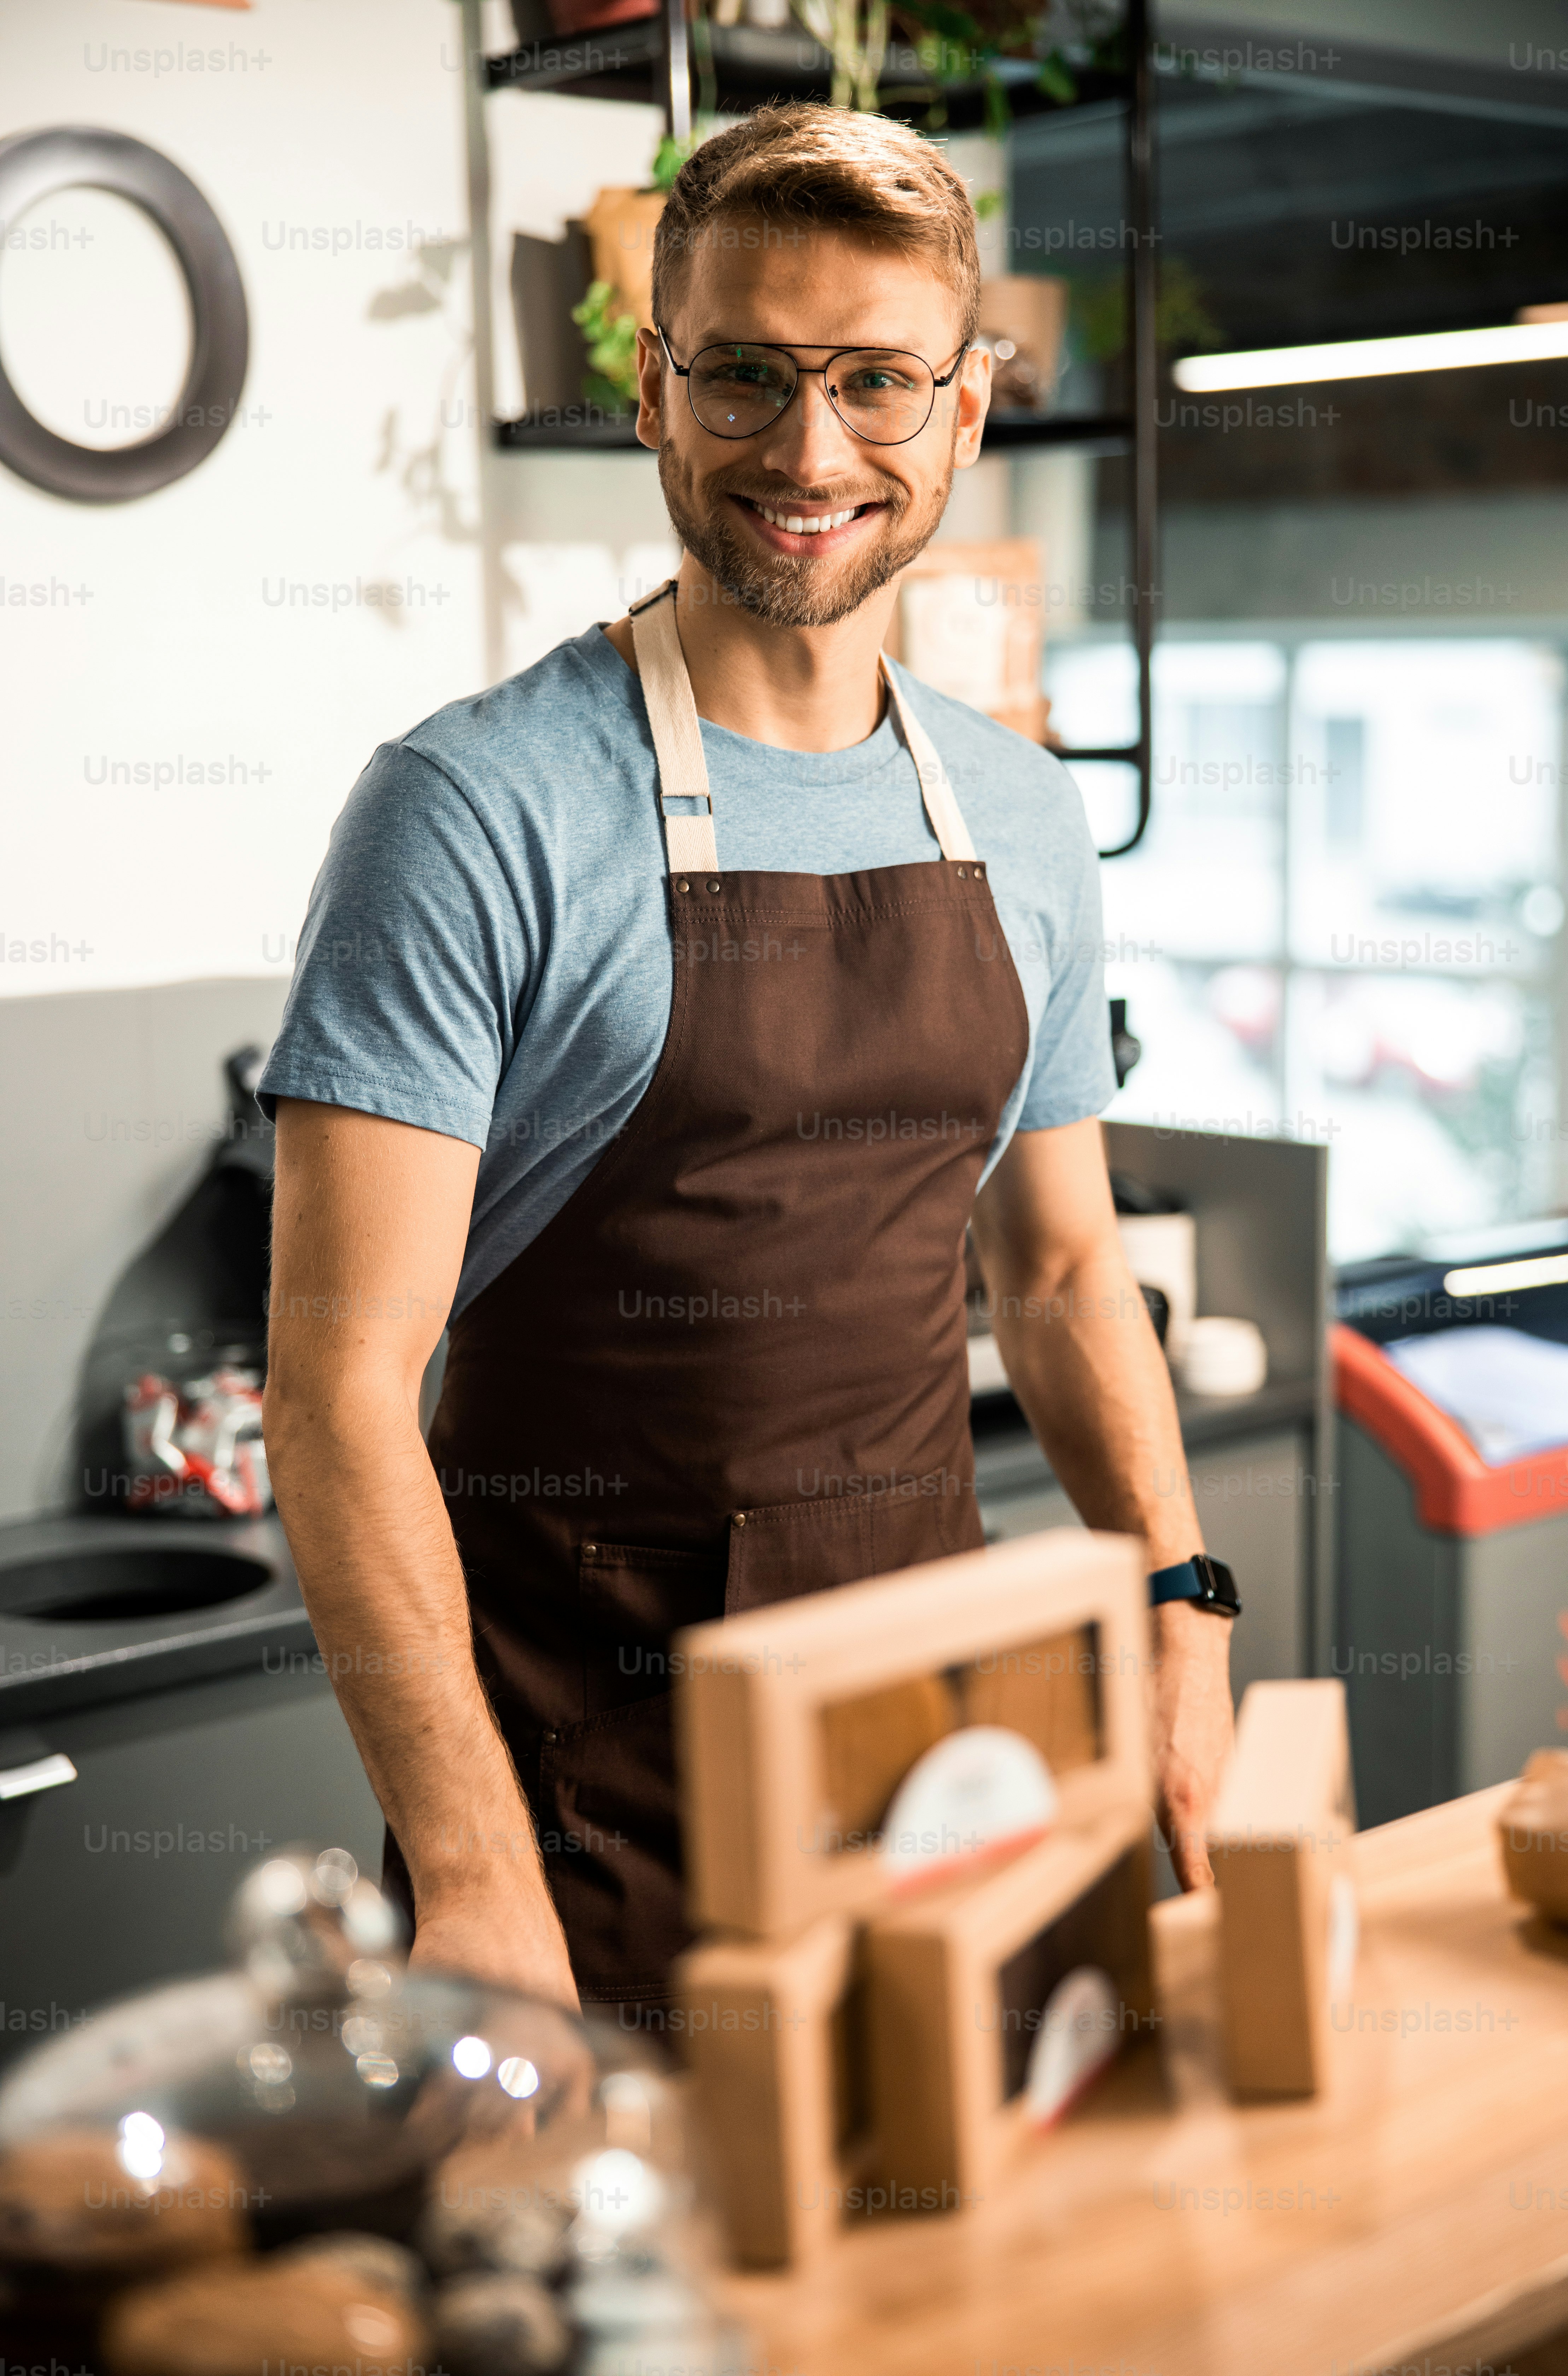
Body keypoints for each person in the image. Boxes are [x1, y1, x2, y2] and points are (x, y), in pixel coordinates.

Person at [260, 104, 1234, 2025]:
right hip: (583, 1814)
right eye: (747, 377)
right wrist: (471, 1875)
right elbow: (333, 1383)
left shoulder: (1023, 819)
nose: (809, 453)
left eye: (876, 381)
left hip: (934, 1774)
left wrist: (1177, 1595)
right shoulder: (473, 811)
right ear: (654, 390)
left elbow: (1053, 1268)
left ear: (965, 412)